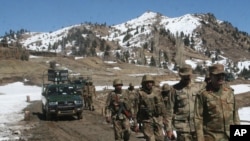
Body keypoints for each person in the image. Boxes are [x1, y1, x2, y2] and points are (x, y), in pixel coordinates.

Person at [194, 64, 240, 141]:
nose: (221, 77)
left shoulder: (229, 92)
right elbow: (198, 118)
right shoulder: (203, 94)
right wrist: (200, 138)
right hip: (211, 137)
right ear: (211, 76)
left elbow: (235, 115)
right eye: (217, 75)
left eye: (222, 74)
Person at [165, 64, 200, 141]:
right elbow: (169, 110)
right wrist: (168, 129)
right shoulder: (174, 89)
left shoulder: (198, 88)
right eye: (184, 75)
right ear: (180, 75)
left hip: (197, 127)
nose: (187, 77)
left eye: (188, 75)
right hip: (182, 128)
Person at [135, 75, 167, 141]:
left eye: (150, 82)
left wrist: (165, 118)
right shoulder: (140, 93)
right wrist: (136, 122)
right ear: (144, 83)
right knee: (150, 139)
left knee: (160, 138)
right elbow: (136, 108)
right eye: (147, 82)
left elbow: (162, 105)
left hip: (158, 119)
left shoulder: (157, 92)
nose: (149, 84)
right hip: (146, 120)